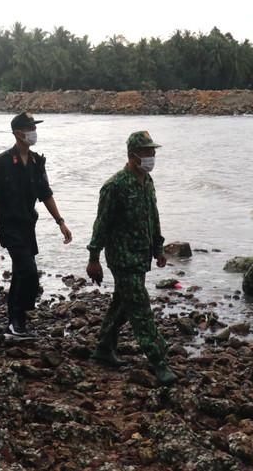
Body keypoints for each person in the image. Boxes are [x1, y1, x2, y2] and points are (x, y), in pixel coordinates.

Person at [86, 130, 178, 385]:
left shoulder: (147, 181)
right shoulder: (115, 186)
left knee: (123, 302)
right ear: (132, 156)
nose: (152, 156)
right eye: (147, 152)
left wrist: (158, 249)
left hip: (141, 257)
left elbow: (153, 217)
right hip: (122, 258)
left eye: (153, 151)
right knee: (139, 307)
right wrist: (94, 258)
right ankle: (159, 361)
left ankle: (104, 348)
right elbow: (101, 225)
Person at [0, 112, 72, 337]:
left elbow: (46, 194)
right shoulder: (2, 162)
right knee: (28, 272)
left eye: (34, 127)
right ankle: (17, 320)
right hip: (9, 226)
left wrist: (60, 222)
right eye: (29, 127)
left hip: (27, 226)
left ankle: (15, 321)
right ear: (17, 133)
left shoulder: (36, 162)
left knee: (21, 273)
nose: (33, 132)